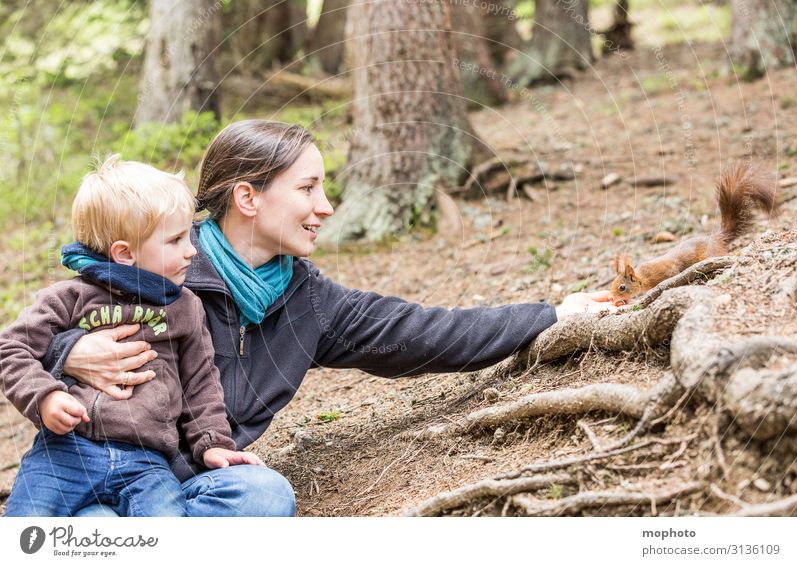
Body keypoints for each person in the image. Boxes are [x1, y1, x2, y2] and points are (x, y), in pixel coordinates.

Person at [40, 120, 617, 517]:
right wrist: (68, 353)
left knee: (264, 497)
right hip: (102, 460)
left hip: (203, 485)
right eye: (308, 187)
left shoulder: (309, 302)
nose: (326, 206)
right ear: (248, 198)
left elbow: (422, 333)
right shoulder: (162, 263)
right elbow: (46, 323)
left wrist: (552, 314)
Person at [1, 156, 264, 517]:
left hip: (146, 462)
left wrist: (212, 443)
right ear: (124, 253)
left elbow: (201, 381)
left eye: (187, 236)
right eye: (174, 240)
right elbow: (12, 348)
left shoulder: (185, 306)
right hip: (65, 452)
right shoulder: (69, 298)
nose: (191, 250)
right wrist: (44, 397)